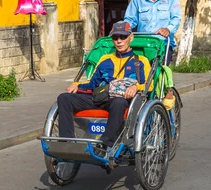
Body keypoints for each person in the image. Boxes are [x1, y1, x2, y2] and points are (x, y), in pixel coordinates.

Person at [57, 21, 151, 152]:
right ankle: (66, 142)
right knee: (64, 98)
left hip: (122, 100)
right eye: (115, 37)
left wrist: (136, 87)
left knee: (118, 103)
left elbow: (149, 85)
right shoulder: (105, 59)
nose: (119, 41)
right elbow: (92, 84)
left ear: (131, 37)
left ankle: (105, 144)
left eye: (123, 37)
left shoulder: (140, 61)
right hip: (101, 97)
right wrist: (76, 85)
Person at [124, 0, 181, 66]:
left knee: (157, 74)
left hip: (162, 44)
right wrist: (124, 28)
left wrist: (168, 29)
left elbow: (176, 18)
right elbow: (130, 19)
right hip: (142, 43)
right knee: (138, 73)